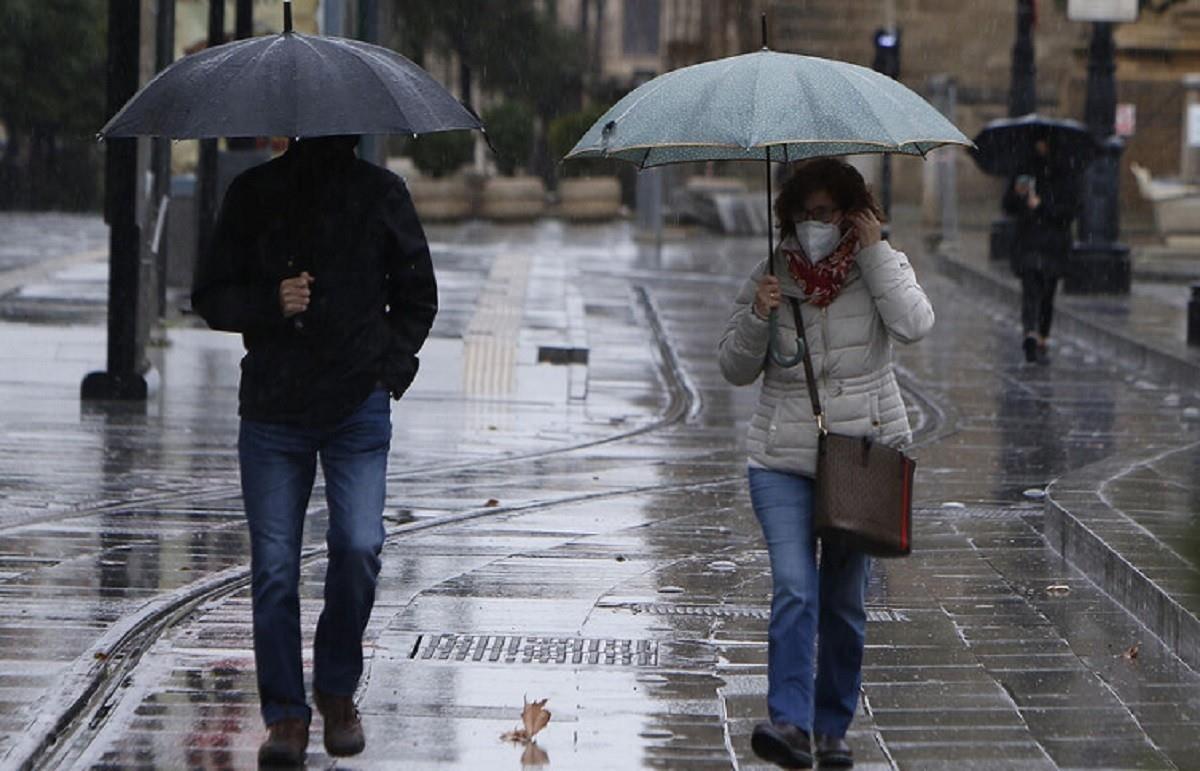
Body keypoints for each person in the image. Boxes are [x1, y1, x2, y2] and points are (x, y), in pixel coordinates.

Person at [192, 135, 437, 767]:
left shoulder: (382, 195)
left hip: (356, 407)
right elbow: (212, 294)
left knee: (359, 546)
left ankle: (335, 688)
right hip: (274, 410)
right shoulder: (254, 194)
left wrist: (388, 369)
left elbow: (418, 296)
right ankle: (285, 718)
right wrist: (271, 302)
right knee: (274, 568)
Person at [718, 158, 934, 769]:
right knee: (794, 585)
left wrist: (874, 255)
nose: (817, 224)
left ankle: (832, 727)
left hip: (861, 456)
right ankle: (789, 722)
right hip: (781, 458)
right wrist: (758, 315)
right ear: (790, 216)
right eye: (807, 214)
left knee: (843, 601)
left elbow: (916, 325)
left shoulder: (879, 267)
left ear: (851, 213)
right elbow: (733, 370)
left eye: (829, 213)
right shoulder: (771, 274)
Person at [1003, 136, 1079, 364]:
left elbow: (1069, 212)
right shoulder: (1025, 169)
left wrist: (1043, 206)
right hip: (1029, 241)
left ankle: (1042, 334)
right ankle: (1030, 332)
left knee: (1047, 291)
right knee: (1030, 288)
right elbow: (1008, 205)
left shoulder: (1065, 174)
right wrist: (1018, 194)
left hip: (1053, 243)